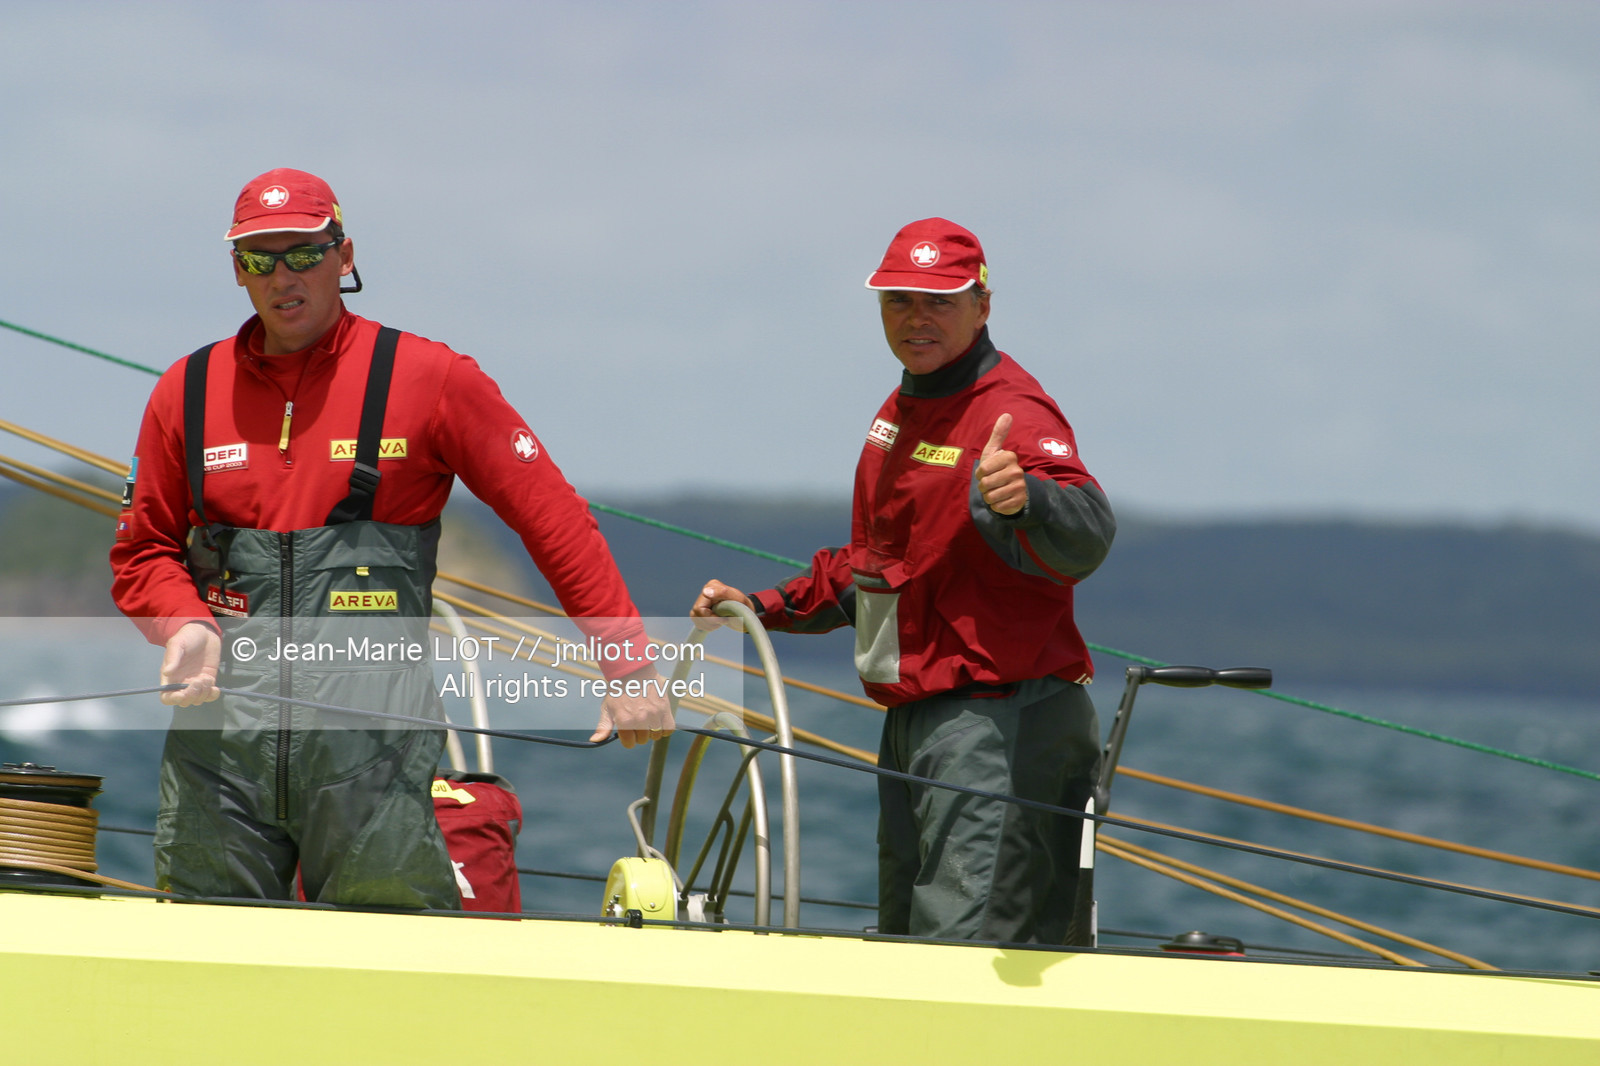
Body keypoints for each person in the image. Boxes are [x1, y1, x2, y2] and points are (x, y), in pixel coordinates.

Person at [110, 168, 673, 907]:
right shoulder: (185, 390)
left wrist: (626, 662)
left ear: (344, 257)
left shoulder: (430, 378)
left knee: (387, 976)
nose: (284, 275)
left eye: (304, 253)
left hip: (372, 754)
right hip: (218, 752)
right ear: (237, 271)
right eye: (259, 258)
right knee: (205, 970)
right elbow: (143, 549)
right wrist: (181, 622)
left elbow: (553, 516)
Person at [692, 219, 1114, 944]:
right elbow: (875, 568)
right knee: (905, 942)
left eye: (939, 302)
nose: (916, 319)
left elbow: (1089, 528)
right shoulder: (899, 410)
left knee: (962, 954)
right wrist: (759, 606)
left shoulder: (1012, 409)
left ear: (982, 306)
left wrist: (1029, 500)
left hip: (997, 722)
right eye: (899, 301)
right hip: (915, 718)